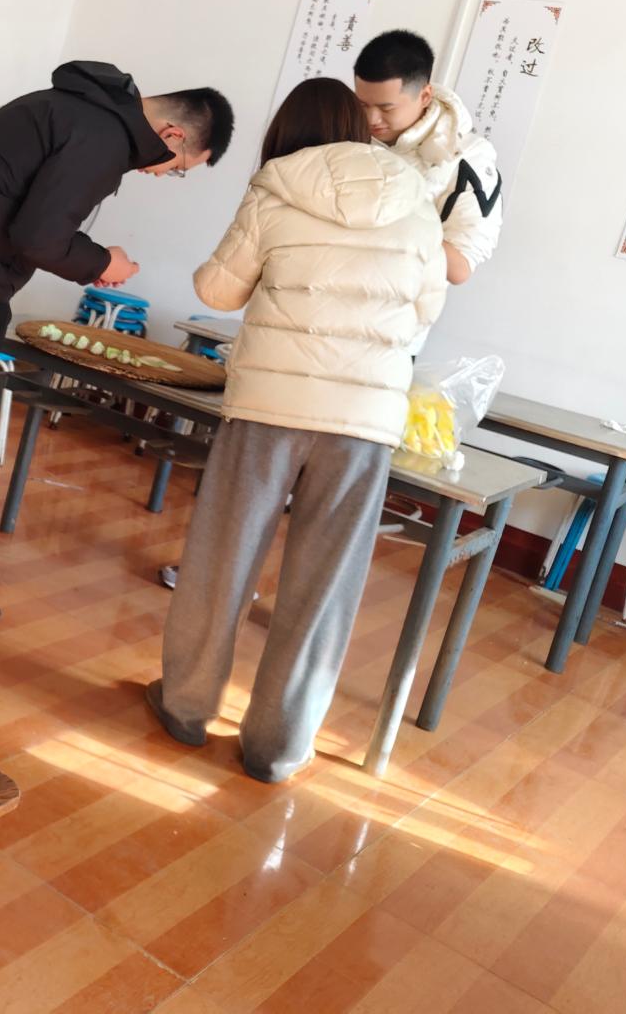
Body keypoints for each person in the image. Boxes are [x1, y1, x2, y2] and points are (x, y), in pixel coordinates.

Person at [146, 79, 446, 784]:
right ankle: (277, 747)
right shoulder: (416, 197)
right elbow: (427, 307)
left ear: (287, 131)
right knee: (325, 583)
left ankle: (186, 706)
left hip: (269, 406)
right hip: (364, 419)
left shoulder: (277, 184)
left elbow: (217, 291)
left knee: (222, 560)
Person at [0, 64, 235, 625]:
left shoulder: (78, 109)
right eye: (178, 169)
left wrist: (89, 257)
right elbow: (38, 236)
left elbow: (32, 218)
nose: (164, 174)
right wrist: (102, 262)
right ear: (174, 135)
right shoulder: (102, 135)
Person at [352, 29, 503, 286]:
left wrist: (388, 217)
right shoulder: (346, 133)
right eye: (363, 104)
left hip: (397, 304)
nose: (371, 118)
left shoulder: (467, 157)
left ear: (424, 96)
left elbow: (460, 268)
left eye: (386, 108)